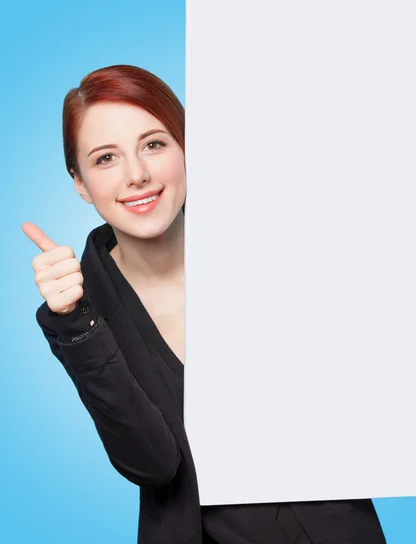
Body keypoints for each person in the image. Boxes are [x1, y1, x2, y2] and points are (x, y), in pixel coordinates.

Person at [22, 65, 387, 544]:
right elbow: (151, 463)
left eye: (154, 144)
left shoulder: (276, 240)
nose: (137, 175)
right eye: (106, 157)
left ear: (188, 150)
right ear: (81, 182)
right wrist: (75, 323)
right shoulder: (79, 310)